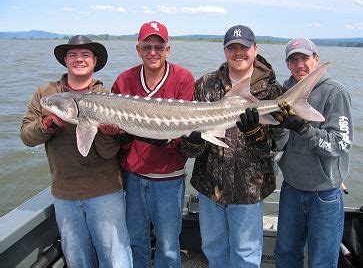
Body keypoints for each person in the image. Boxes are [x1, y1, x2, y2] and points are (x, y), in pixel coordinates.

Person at [20, 35, 133, 267]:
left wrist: (110, 134)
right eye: (72, 54)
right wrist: (50, 123)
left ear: (94, 61)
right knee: (77, 260)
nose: (78, 59)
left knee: (116, 260)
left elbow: (110, 153)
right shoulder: (46, 94)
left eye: (85, 55)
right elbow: (26, 136)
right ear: (65, 60)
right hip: (65, 194)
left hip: (105, 192)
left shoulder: (107, 97)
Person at [180, 25, 283, 267]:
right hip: (210, 187)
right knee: (213, 250)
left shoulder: (271, 90)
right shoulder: (205, 84)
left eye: (244, 48)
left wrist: (257, 135)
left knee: (246, 255)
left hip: (248, 190)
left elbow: (275, 149)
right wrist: (192, 140)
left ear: (255, 49)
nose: (239, 53)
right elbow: (189, 150)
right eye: (232, 48)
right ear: (225, 51)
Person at [111, 21, 195, 268]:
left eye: (159, 47)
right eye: (147, 46)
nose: (153, 52)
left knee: (168, 247)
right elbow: (116, 136)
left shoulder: (182, 77)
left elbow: (184, 137)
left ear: (168, 50)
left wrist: (165, 139)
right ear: (138, 49)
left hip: (169, 178)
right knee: (136, 241)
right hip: (134, 178)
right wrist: (121, 135)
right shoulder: (124, 79)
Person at [273, 38, 354, 267]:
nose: (300, 64)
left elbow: (340, 145)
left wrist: (303, 128)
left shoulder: (335, 92)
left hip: (324, 194)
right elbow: (279, 145)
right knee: (286, 254)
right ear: (287, 64)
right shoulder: (283, 93)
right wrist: (279, 128)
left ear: (316, 59)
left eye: (305, 58)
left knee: (322, 261)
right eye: (293, 59)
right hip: (290, 188)